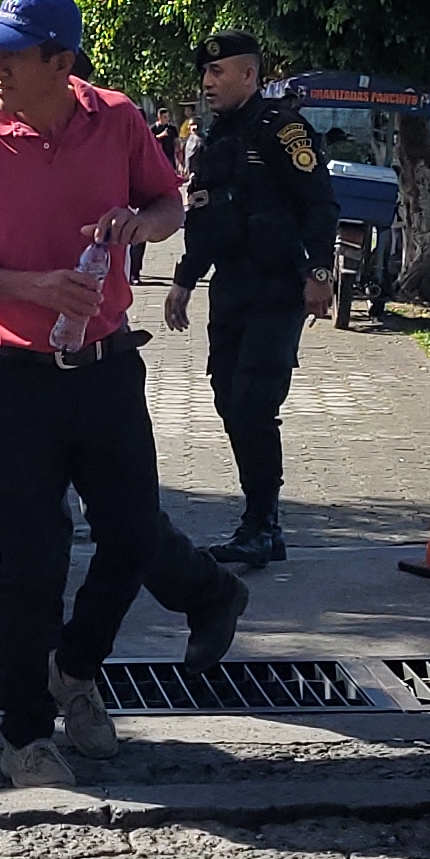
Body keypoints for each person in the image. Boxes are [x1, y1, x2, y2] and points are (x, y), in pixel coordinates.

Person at [0, 0, 249, 790]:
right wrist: (30, 288)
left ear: (60, 62)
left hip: (107, 367)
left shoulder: (118, 118)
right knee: (30, 564)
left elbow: (168, 199)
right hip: (17, 378)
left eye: (8, 52)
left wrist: (145, 225)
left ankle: (79, 667)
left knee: (133, 535)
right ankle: (26, 736)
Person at [165, 30, 336, 569]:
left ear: (249, 76)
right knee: (226, 397)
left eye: (219, 73)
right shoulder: (213, 138)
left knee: (252, 404)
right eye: (205, 74)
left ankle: (260, 523)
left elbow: (320, 204)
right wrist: (184, 279)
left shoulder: (282, 130)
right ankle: (264, 521)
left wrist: (320, 273)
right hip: (231, 288)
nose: (208, 82)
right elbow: (205, 216)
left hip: (278, 288)